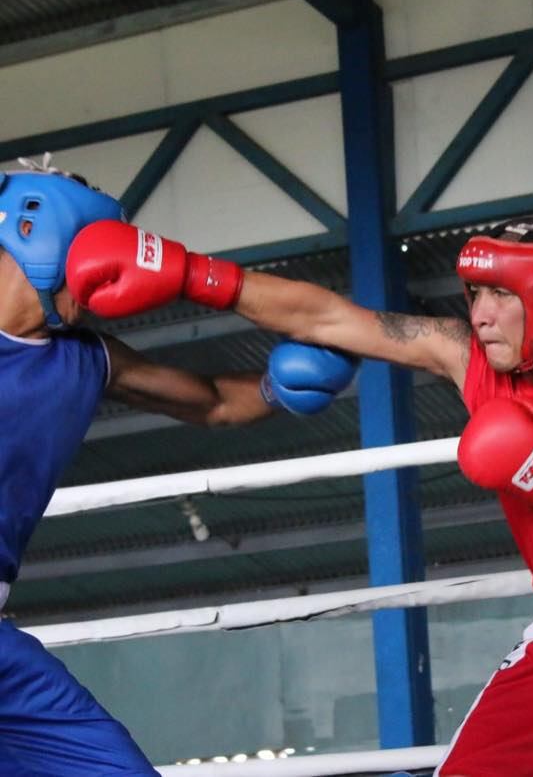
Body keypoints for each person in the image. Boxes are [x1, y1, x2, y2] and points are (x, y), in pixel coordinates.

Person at [66, 205, 533, 777]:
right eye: (477, 293)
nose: (482, 313)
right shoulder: (467, 356)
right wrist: (191, 272)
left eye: (502, 294)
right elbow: (327, 317)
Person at [0, 156, 356, 776]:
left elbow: (214, 402)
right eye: (95, 245)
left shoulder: (89, 359)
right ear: (39, 231)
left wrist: (280, 386)